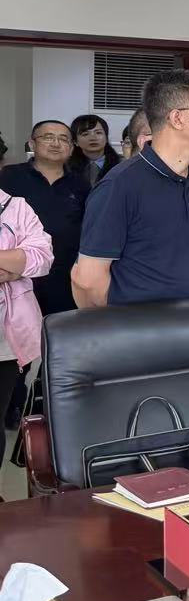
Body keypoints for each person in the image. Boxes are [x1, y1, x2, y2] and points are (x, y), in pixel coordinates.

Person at [72, 71, 189, 308]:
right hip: (143, 325)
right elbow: (87, 281)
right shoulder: (120, 185)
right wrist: (118, 325)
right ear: (177, 118)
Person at [0, 121, 90, 430]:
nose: (55, 143)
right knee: (17, 350)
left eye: (63, 139)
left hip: (63, 278)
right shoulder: (11, 177)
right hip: (16, 284)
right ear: (32, 143)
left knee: (58, 349)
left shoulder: (81, 185)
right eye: (47, 137)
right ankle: (13, 406)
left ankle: (45, 410)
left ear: (71, 147)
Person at [0, 184, 53, 469]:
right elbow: (23, 258)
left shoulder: (15, 207)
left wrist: (17, 265)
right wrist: (13, 263)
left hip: (4, 341)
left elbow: (42, 256)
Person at [70, 114, 123, 188]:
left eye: (98, 133)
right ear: (75, 142)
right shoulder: (66, 166)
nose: (93, 138)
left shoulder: (122, 164)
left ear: (106, 137)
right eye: (85, 134)